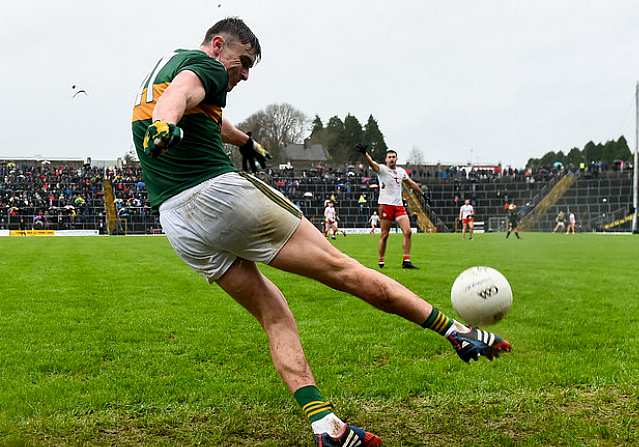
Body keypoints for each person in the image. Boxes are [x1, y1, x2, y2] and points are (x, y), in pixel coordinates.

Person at [131, 18, 510, 446]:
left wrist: (245, 142)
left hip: (177, 220)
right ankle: (457, 333)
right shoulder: (207, 67)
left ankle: (326, 426)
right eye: (244, 62)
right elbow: (182, 96)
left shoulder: (163, 69)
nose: (245, 74)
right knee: (342, 269)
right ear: (218, 45)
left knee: (274, 313)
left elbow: (199, 110)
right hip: (219, 197)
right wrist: (165, 123)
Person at [358, 145, 423, 269]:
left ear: (396, 159)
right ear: (386, 159)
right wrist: (365, 154)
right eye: (389, 157)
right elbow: (372, 164)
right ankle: (381, 259)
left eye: (394, 157)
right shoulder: (382, 169)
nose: (392, 159)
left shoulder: (401, 172)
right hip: (385, 205)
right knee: (385, 235)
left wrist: (422, 193)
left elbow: (410, 183)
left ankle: (406, 260)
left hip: (398, 206)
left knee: (408, 232)